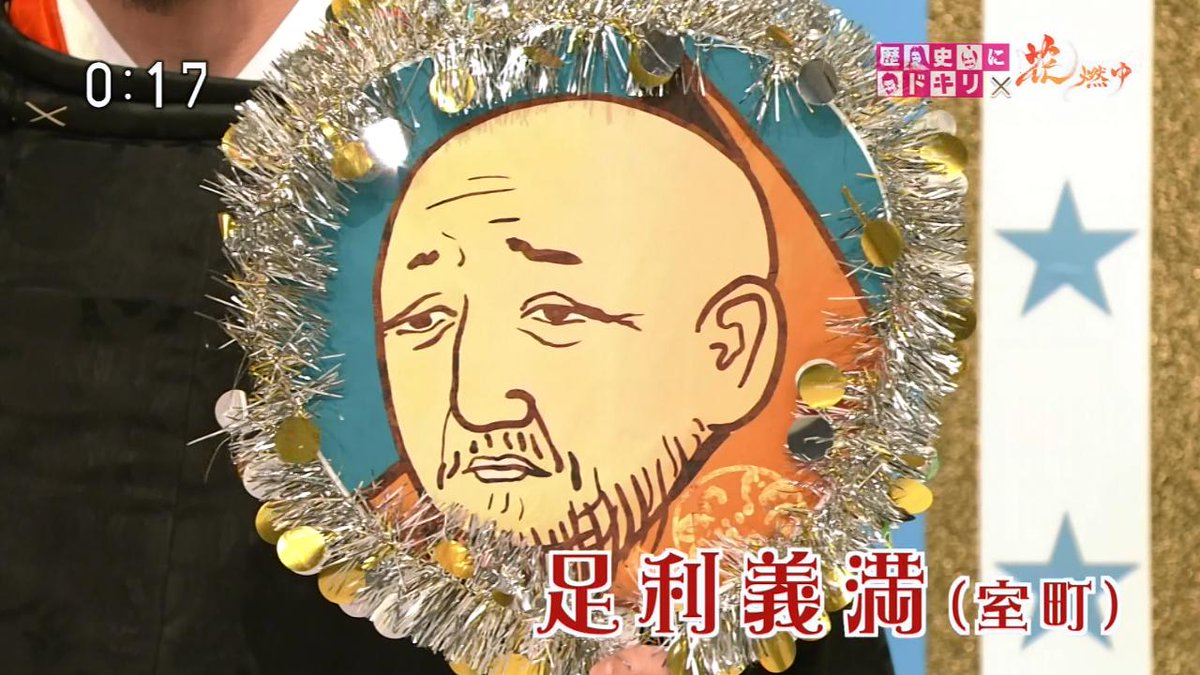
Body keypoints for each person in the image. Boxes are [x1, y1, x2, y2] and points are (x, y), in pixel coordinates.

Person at [0, 2, 893, 673]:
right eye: (426, 320)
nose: (477, 399)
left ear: (732, 347)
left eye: (554, 314)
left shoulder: (600, 97)